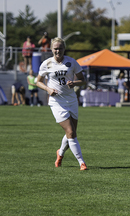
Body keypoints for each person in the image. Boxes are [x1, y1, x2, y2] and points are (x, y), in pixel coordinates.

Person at [36, 37, 87, 171]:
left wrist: (74, 83)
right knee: (71, 132)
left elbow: (83, 80)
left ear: (64, 49)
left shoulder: (71, 62)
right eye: (55, 48)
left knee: (72, 133)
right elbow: (38, 81)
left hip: (71, 100)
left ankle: (60, 153)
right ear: (51, 49)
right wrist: (48, 89)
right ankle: (82, 163)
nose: (58, 51)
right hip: (57, 102)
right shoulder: (47, 63)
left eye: (60, 48)